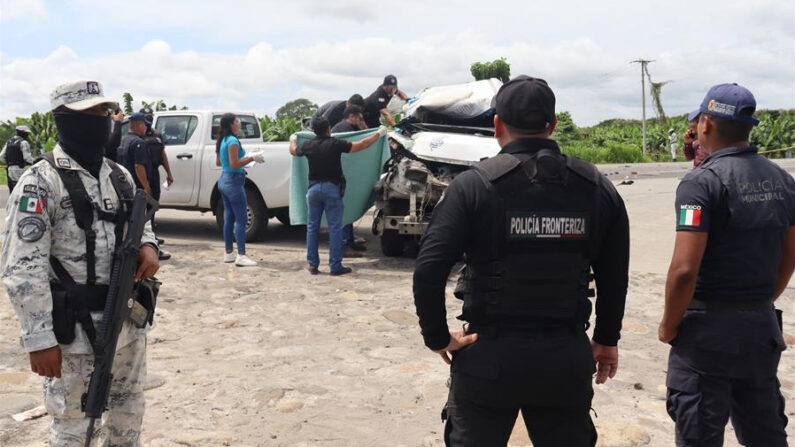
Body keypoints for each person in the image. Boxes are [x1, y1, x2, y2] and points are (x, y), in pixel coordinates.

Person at [413, 75, 630, 446]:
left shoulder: (472, 185)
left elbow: (429, 269)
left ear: (496, 123)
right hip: (564, 356)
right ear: (553, 124)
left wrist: (438, 337)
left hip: (488, 356)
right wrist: (606, 339)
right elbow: (615, 274)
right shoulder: (597, 187)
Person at [0, 80, 160, 445]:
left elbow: (142, 220)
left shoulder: (118, 176)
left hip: (127, 324)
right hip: (74, 334)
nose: (100, 120)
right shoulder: (40, 183)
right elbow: (22, 269)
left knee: (128, 416)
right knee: (76, 427)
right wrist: (38, 339)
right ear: (62, 120)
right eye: (87, 114)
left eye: (103, 112)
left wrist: (148, 245)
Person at [659, 83, 794, 447]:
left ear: (706, 124)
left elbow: (685, 269)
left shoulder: (700, 184)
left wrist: (669, 326)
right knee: (765, 433)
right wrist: (763, 299)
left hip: (706, 337)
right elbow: (789, 254)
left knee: (699, 434)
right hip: (760, 327)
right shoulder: (783, 181)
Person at [289, 117, 386, 275]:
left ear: (313, 130)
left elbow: (293, 151)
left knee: (312, 228)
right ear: (328, 129)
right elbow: (360, 145)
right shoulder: (335, 143)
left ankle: (312, 265)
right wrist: (378, 135)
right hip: (332, 189)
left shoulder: (308, 145)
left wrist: (293, 139)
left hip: (313, 190)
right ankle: (335, 266)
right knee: (335, 228)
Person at [216, 112, 264, 267]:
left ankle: (229, 253)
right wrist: (252, 157)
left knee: (229, 217)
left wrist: (248, 156)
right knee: (242, 219)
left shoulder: (222, 140)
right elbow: (235, 163)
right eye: (237, 121)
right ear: (231, 124)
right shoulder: (233, 141)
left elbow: (220, 162)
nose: (239, 123)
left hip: (223, 180)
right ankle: (241, 255)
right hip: (234, 182)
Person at [141, 107, 174, 260]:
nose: (149, 118)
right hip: (142, 175)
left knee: (154, 205)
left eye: (150, 116)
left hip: (154, 173)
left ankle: (151, 235)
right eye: (146, 116)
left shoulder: (157, 134)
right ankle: (146, 240)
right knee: (142, 208)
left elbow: (162, 154)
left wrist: (169, 173)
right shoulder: (137, 135)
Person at [116, 112, 153, 195]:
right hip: (137, 186)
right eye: (145, 125)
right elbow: (138, 166)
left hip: (123, 184)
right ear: (140, 125)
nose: (146, 128)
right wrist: (146, 187)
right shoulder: (138, 142)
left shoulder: (121, 140)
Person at [0, 125, 35, 193]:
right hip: (20, 169)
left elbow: (1, 156)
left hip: (10, 170)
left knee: (13, 189)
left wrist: (9, 163)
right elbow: (27, 158)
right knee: (22, 189)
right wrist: (36, 161)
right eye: (26, 133)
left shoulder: (9, 142)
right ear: (23, 133)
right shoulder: (23, 142)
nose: (27, 135)